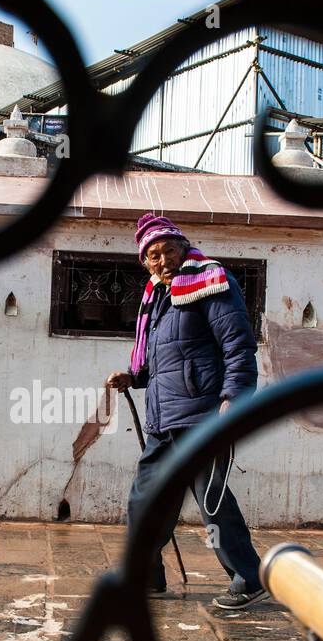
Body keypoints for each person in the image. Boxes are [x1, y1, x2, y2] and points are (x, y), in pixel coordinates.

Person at [106, 212, 266, 610]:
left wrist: (235, 397)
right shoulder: (157, 298)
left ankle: (249, 579)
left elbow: (238, 345)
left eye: (168, 251)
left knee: (212, 501)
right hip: (164, 420)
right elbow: (164, 363)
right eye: (153, 255)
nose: (162, 260)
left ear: (184, 248)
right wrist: (133, 377)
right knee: (145, 501)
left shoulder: (210, 282)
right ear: (145, 261)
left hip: (204, 417)